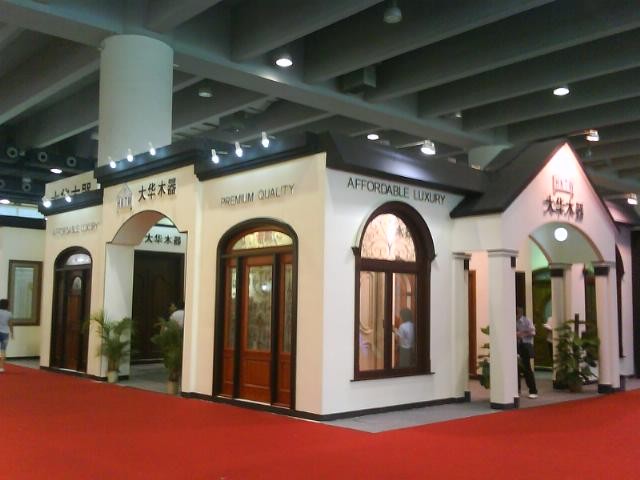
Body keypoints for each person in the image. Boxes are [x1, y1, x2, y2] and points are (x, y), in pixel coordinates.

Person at [516, 307, 538, 398]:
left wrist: (522, 334)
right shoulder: (511, 320)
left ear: (521, 313)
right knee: (515, 369)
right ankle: (516, 390)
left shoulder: (527, 321)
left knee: (527, 369)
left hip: (525, 346)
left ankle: (533, 391)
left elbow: (533, 332)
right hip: (515, 346)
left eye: (518, 313)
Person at [0, 299, 14, 373]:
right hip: (5, 333)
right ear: (7, 305)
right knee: (3, 350)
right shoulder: (9, 313)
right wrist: (12, 333)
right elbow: (10, 324)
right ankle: (1, 368)